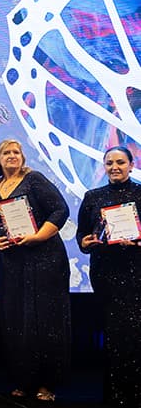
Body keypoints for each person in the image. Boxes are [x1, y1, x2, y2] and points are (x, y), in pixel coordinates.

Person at [0, 139, 70, 402]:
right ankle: (24, 380)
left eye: (16, 152)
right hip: (10, 262)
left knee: (45, 321)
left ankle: (47, 384)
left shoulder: (35, 179)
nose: (11, 156)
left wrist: (39, 237)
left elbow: (60, 210)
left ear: (22, 156)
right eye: (6, 152)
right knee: (16, 321)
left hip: (44, 258)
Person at [75, 145, 141, 407]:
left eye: (120, 162)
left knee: (134, 334)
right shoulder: (93, 196)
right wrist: (86, 242)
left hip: (136, 271)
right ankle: (113, 393)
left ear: (131, 165)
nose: (115, 167)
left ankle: (134, 393)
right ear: (103, 167)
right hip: (104, 272)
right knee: (112, 334)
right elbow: (82, 234)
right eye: (109, 163)